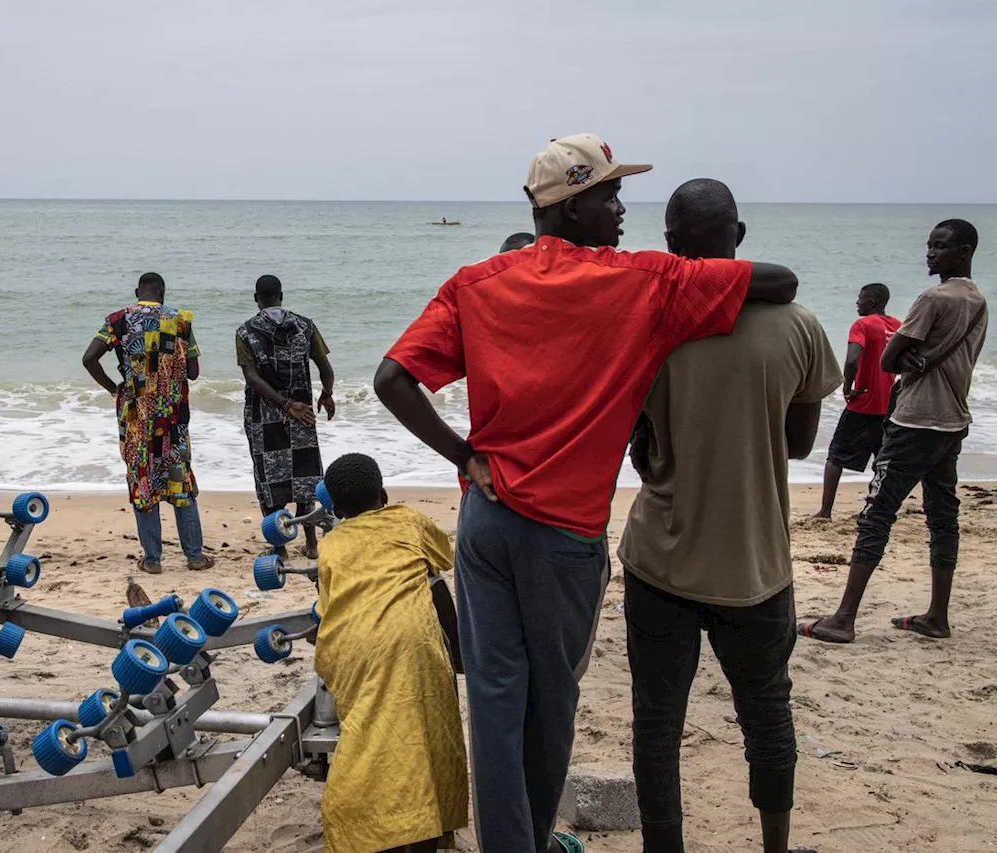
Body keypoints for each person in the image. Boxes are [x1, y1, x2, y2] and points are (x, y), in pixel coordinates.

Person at [375, 133, 798, 853]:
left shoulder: (477, 281)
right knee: (553, 705)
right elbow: (778, 280)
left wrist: (463, 453)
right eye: (608, 194)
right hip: (563, 536)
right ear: (571, 209)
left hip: (484, 521)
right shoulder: (641, 282)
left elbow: (392, 379)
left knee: (495, 698)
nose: (622, 208)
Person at [620, 179, 840, 853]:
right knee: (768, 714)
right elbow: (799, 443)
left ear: (670, 245)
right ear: (738, 239)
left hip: (661, 558)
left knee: (657, 724)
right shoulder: (798, 323)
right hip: (756, 561)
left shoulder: (653, 327)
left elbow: (643, 452)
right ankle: (775, 846)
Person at [800, 219, 987, 643]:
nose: (931, 253)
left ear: (964, 252)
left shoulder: (933, 298)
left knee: (876, 513)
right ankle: (937, 617)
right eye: (930, 245)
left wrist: (906, 361)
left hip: (915, 420)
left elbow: (887, 360)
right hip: (954, 420)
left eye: (940, 247)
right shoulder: (977, 300)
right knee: (943, 517)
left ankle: (843, 619)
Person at [313, 453, 468, 853]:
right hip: (414, 641)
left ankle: (369, 833)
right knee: (430, 735)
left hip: (352, 647)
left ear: (337, 510)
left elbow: (326, 607)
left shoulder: (330, 545)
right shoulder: (407, 519)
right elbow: (446, 558)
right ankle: (427, 831)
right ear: (383, 493)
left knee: (368, 732)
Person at [82, 272, 214, 573]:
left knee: (143, 482)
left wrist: (114, 387)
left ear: (136, 291)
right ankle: (194, 557)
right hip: (172, 418)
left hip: (136, 418)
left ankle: (153, 561)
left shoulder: (119, 320)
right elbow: (193, 372)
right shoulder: (181, 321)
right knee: (180, 481)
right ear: (163, 293)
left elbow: (89, 358)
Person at [235, 274, 336, 560]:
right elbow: (325, 369)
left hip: (264, 414)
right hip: (302, 414)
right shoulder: (305, 325)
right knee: (304, 477)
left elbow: (253, 379)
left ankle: (279, 547)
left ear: (257, 299)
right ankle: (311, 543)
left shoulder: (245, 332)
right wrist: (326, 394)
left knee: (269, 480)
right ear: (282, 295)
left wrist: (283, 403)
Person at [812, 284, 902, 519]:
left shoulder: (862, 325)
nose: (857, 303)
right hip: (888, 406)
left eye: (861, 299)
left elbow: (852, 359)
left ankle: (825, 511)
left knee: (836, 456)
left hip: (863, 402)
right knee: (881, 459)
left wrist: (847, 385)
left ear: (872, 302)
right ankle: (874, 508)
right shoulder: (897, 326)